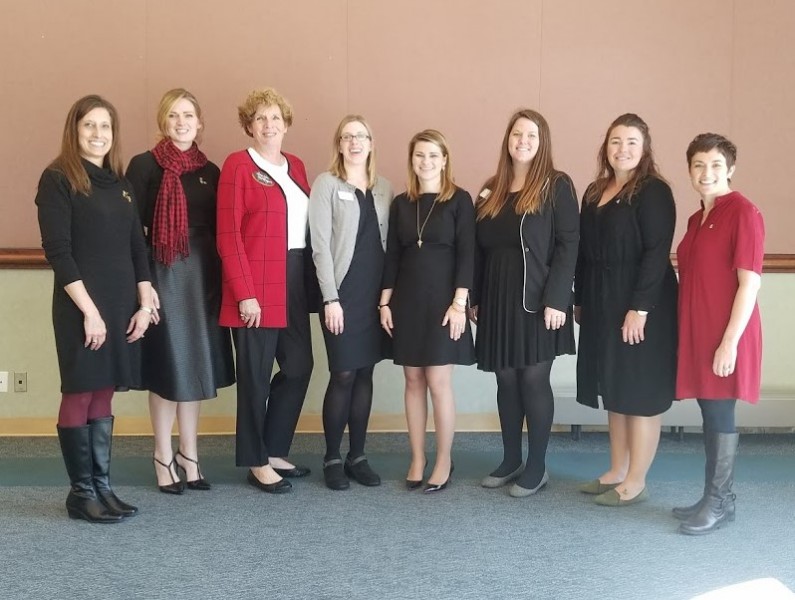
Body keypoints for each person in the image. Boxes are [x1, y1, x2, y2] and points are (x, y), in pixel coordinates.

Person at [35, 95, 155, 522]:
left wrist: (145, 298)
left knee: (104, 390)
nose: (98, 134)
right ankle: (80, 494)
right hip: (80, 305)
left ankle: (102, 488)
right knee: (80, 389)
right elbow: (58, 252)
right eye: (90, 126)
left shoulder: (120, 185)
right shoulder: (58, 179)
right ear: (75, 129)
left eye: (106, 127)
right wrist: (89, 311)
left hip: (120, 303)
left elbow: (137, 248)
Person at [126, 88, 235, 495]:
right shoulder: (144, 166)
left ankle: (190, 457)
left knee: (196, 367)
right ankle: (162, 456)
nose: (182, 122)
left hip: (204, 277)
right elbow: (130, 233)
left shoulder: (212, 170)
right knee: (168, 369)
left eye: (189, 115)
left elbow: (223, 229)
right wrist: (144, 287)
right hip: (163, 274)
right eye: (174, 115)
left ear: (200, 122)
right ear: (163, 121)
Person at [471, 109, 579, 497]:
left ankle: (537, 465)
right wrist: (477, 299)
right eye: (517, 133)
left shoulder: (556, 185)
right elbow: (479, 252)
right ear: (508, 139)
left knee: (533, 380)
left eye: (531, 135)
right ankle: (511, 458)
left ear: (542, 141)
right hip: (498, 301)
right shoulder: (491, 188)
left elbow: (569, 247)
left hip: (539, 301)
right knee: (506, 379)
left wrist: (557, 300)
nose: (523, 140)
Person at [574, 113, 678, 506]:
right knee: (614, 387)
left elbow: (656, 253)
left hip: (641, 303)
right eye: (616, 141)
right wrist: (580, 299)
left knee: (641, 390)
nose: (623, 149)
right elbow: (584, 253)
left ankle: (636, 479)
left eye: (632, 142)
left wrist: (641, 308)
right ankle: (616, 469)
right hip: (602, 300)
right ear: (606, 147)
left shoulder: (653, 191)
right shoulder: (594, 191)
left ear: (645, 148)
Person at [217, 88, 314, 494]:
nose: (269, 125)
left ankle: (273, 448)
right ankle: (255, 460)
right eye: (260, 118)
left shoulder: (296, 165)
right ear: (249, 126)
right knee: (255, 377)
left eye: (276, 118)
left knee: (299, 367)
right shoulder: (238, 165)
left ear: (287, 124)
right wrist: (244, 294)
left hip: (293, 279)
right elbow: (228, 235)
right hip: (255, 284)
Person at [674, 133, 764, 535]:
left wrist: (729, 341)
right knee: (709, 411)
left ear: (730, 169)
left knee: (720, 411)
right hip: (699, 329)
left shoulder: (743, 212)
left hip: (727, 332)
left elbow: (750, 284)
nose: (705, 173)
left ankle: (720, 501)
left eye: (714, 165)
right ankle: (713, 496)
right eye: (698, 165)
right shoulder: (696, 218)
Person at [379, 129, 476, 493]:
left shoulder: (460, 201)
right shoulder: (402, 203)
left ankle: (444, 459)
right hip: (407, 302)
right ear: (412, 160)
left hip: (444, 305)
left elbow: (468, 254)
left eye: (433, 155)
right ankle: (417, 456)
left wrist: (459, 305)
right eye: (420, 155)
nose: (426, 162)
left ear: (445, 160)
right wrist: (385, 302)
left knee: (438, 382)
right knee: (413, 380)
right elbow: (393, 256)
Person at [309, 116, 393, 490]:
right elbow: (320, 246)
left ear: (371, 143)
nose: (355, 142)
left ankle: (357, 455)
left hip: (376, 297)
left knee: (365, 373)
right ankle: (331, 457)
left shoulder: (386, 188)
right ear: (339, 144)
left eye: (361, 135)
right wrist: (330, 297)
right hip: (342, 295)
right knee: (342, 373)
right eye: (347, 136)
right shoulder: (326, 184)